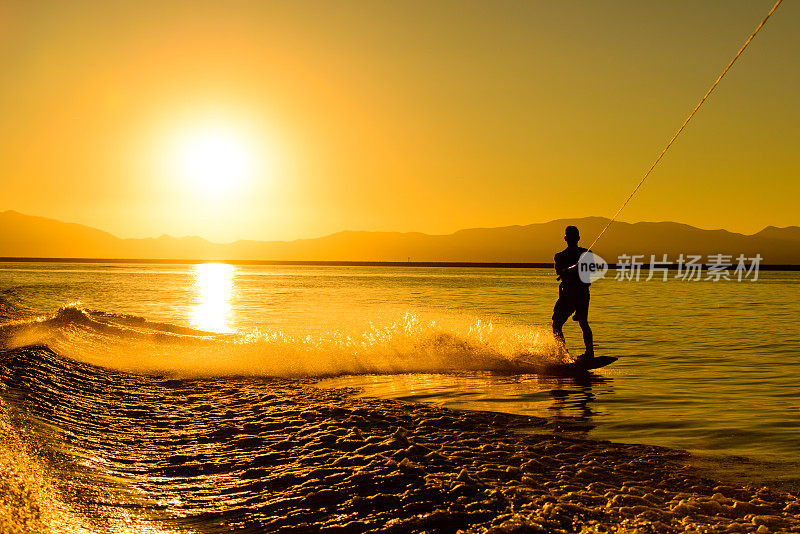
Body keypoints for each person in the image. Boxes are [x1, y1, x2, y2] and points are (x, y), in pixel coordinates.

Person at [552, 225, 594, 363]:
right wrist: (571, 268)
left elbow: (590, 274)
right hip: (567, 295)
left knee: (583, 322)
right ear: (565, 238)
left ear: (578, 238)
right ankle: (562, 353)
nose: (572, 239)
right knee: (556, 324)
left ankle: (589, 353)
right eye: (569, 237)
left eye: (574, 237)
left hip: (581, 294)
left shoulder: (587, 254)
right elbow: (559, 271)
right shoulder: (559, 256)